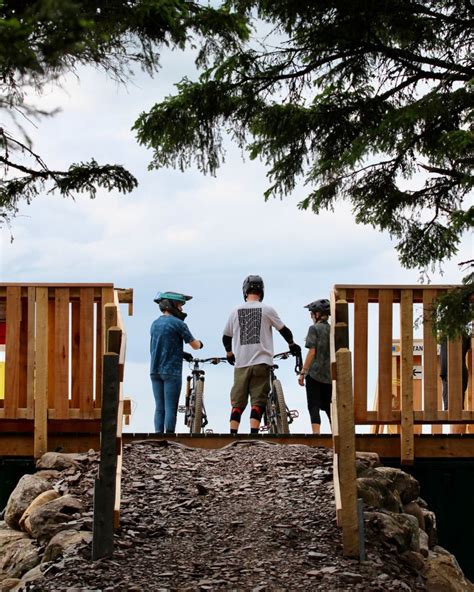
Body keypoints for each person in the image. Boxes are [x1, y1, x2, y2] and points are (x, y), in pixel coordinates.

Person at [222, 275, 301, 434]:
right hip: (262, 362)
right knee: (258, 401)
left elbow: (226, 337)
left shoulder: (235, 311)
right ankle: (253, 434)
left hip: (241, 363)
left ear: (245, 291)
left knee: (237, 402)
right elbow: (284, 330)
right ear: (262, 291)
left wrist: (230, 353)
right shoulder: (267, 310)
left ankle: (232, 434)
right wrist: (292, 344)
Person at [150, 291, 203, 434]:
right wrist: (200, 344)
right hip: (171, 371)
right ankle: (169, 435)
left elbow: (163, 345)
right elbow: (195, 345)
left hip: (154, 370)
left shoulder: (154, 324)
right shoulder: (179, 324)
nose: (181, 309)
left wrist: (181, 353)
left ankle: (157, 435)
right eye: (180, 305)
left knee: (159, 406)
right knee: (170, 407)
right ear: (172, 305)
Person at [298, 299, 332, 434]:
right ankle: (334, 432)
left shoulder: (314, 329)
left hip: (314, 374)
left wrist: (303, 372)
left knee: (314, 405)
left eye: (312, 313)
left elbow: (312, 352)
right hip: (330, 375)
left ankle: (316, 434)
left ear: (317, 314)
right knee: (329, 406)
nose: (311, 316)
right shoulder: (332, 329)